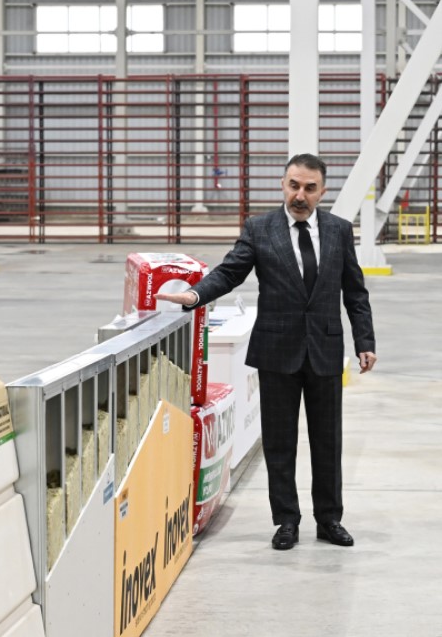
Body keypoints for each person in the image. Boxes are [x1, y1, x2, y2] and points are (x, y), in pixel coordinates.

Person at [155, 153, 377, 551]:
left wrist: (365, 341)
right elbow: (230, 272)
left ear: (322, 192)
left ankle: (329, 519)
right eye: (294, 185)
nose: (300, 195)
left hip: (324, 350)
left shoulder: (339, 231)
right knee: (279, 442)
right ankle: (286, 521)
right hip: (277, 351)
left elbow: (355, 292)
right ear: (283, 185)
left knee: (328, 442)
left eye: (309, 188)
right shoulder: (259, 229)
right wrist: (196, 295)